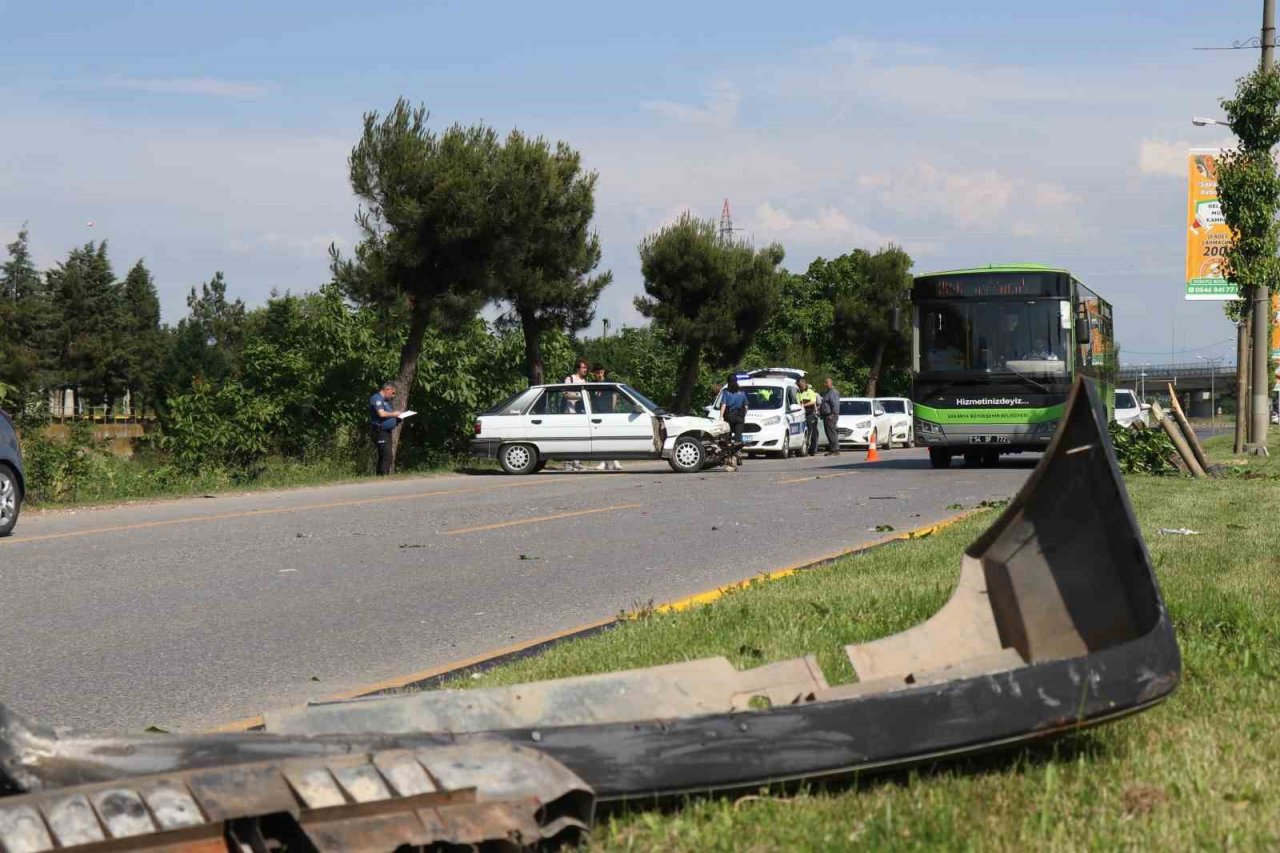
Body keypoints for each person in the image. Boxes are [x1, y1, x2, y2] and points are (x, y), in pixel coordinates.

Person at [591, 365, 624, 471]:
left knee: (612, 438)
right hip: (597, 414)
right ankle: (603, 462)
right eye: (597, 373)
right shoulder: (592, 384)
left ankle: (615, 461)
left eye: (601, 372)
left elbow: (614, 396)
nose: (599, 375)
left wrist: (612, 410)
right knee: (601, 439)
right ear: (594, 374)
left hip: (608, 413)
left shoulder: (608, 383)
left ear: (603, 372)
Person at [368, 380, 403, 476]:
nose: (393, 396)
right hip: (380, 431)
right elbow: (381, 414)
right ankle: (383, 476)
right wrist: (394, 414)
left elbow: (388, 416)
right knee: (387, 455)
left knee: (384, 455)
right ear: (387, 389)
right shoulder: (377, 398)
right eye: (393, 393)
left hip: (386, 432)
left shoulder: (385, 401)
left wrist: (397, 418)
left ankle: (380, 476)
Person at [562, 358, 590, 470]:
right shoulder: (570, 379)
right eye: (583, 367)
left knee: (579, 438)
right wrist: (580, 397)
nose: (585, 370)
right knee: (570, 438)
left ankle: (577, 462)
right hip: (570, 413)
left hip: (581, 414)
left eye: (586, 368)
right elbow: (566, 394)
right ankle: (568, 462)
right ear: (578, 368)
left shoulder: (585, 381)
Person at [720, 374, 749, 471]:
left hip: (729, 417)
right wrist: (743, 415)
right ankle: (738, 456)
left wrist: (721, 416)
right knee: (738, 439)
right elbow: (746, 407)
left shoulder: (726, 392)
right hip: (739, 418)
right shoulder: (742, 392)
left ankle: (731, 461)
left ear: (728, 382)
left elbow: (724, 405)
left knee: (727, 439)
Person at [797, 378, 820, 456]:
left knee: (812, 432)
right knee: (804, 432)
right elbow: (798, 402)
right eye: (799, 386)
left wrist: (804, 405)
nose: (801, 387)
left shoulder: (810, 392)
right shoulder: (798, 392)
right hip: (802, 414)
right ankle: (804, 448)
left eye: (801, 385)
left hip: (810, 414)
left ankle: (812, 450)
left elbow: (813, 401)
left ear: (804, 384)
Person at [819, 377, 842, 456]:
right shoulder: (826, 392)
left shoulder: (833, 392)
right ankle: (832, 449)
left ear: (831, 383)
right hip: (826, 416)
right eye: (824, 382)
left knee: (832, 432)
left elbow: (835, 404)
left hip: (831, 416)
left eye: (826, 382)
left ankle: (836, 450)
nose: (825, 384)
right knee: (828, 433)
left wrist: (833, 414)